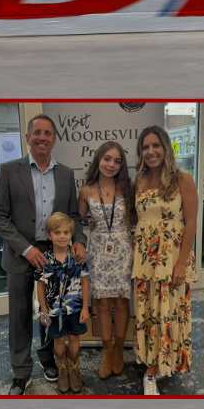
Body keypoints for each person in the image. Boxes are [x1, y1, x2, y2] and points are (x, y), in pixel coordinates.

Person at [0, 114, 86, 395]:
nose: (42, 137)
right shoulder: (10, 170)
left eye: (47, 133)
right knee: (20, 314)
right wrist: (27, 248)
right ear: (28, 138)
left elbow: (72, 216)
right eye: (37, 133)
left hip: (56, 256)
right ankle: (21, 373)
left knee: (52, 310)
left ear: (54, 140)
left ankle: (48, 359)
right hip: (21, 254)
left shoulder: (66, 174)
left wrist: (77, 239)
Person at [132, 126, 198, 395]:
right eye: (145, 147)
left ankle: (155, 370)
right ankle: (151, 361)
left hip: (171, 257)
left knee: (168, 310)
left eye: (155, 145)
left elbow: (191, 223)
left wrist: (181, 263)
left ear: (166, 147)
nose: (150, 152)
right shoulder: (139, 178)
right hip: (145, 258)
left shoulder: (183, 178)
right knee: (148, 311)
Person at [78, 141, 136, 379]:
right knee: (102, 303)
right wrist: (88, 225)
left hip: (123, 248)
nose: (111, 165)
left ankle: (120, 351)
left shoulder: (128, 187)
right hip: (99, 249)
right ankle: (107, 351)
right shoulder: (86, 190)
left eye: (117, 160)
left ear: (121, 165)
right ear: (98, 160)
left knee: (121, 303)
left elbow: (136, 218)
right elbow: (77, 219)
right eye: (107, 159)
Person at [35, 213, 90, 393]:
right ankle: (63, 370)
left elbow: (85, 282)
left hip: (74, 308)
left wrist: (85, 308)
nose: (62, 236)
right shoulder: (44, 260)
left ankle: (74, 371)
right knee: (58, 339)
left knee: (74, 337)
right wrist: (44, 311)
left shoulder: (77, 258)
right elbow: (41, 287)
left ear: (71, 234)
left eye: (66, 232)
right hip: (54, 311)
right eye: (57, 232)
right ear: (49, 235)